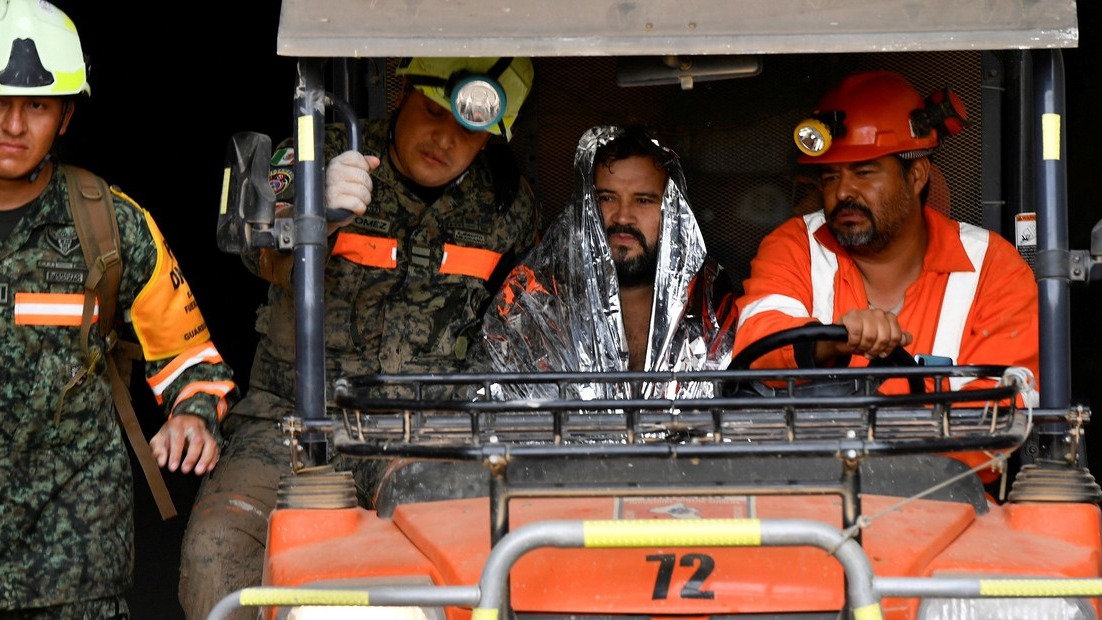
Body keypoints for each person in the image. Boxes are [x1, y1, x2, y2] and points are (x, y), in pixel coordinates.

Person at [179, 56, 540, 619]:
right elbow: (252, 247)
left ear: (493, 137)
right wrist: (313, 213)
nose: (445, 138)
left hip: (424, 431)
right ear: (404, 93)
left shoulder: (508, 203)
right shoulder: (318, 153)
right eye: (432, 112)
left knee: (469, 557)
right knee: (217, 551)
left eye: (469, 129)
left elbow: (524, 317)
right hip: (291, 420)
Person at [0, 0, 238, 617]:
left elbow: (194, 362)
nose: (13, 124)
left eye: (36, 106)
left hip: (72, 564)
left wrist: (194, 415)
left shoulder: (109, 223)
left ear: (66, 116)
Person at [733, 71, 1038, 467]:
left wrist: (873, 445)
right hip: (807, 491)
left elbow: (1002, 413)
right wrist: (832, 342)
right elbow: (757, 342)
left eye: (864, 171)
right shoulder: (795, 244)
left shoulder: (992, 266)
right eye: (831, 176)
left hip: (944, 496)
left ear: (917, 175)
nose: (843, 192)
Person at [480, 125, 737, 400]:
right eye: (607, 198)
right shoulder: (536, 305)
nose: (623, 217)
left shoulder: (711, 306)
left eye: (643, 200)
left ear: (673, 212)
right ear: (587, 205)